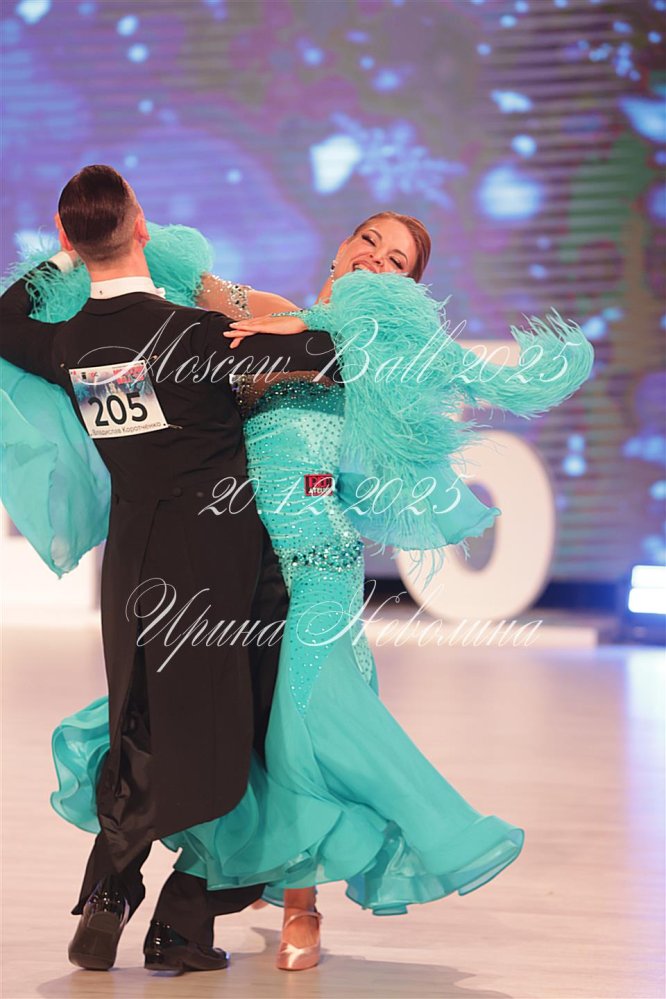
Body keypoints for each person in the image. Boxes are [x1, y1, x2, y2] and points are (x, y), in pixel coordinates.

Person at [3, 208, 594, 973]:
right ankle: (166, 902)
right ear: (342, 247)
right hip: (234, 559)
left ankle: (284, 906)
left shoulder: (382, 345)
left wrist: (316, 344)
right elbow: (191, 283)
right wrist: (102, 243)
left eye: (397, 261)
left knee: (298, 731)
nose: (375, 259)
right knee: (210, 725)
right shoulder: (269, 312)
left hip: (313, 567)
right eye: (369, 241)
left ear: (408, 290)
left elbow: (371, 370)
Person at [0, 164, 341, 974]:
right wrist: (266, 316)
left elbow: (6, 318)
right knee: (230, 739)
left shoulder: (72, 342)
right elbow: (325, 354)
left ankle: (111, 892)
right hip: (216, 558)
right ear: (143, 225)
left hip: (132, 559)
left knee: (140, 722)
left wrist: (61, 260)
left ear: (69, 235)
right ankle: (181, 920)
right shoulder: (194, 333)